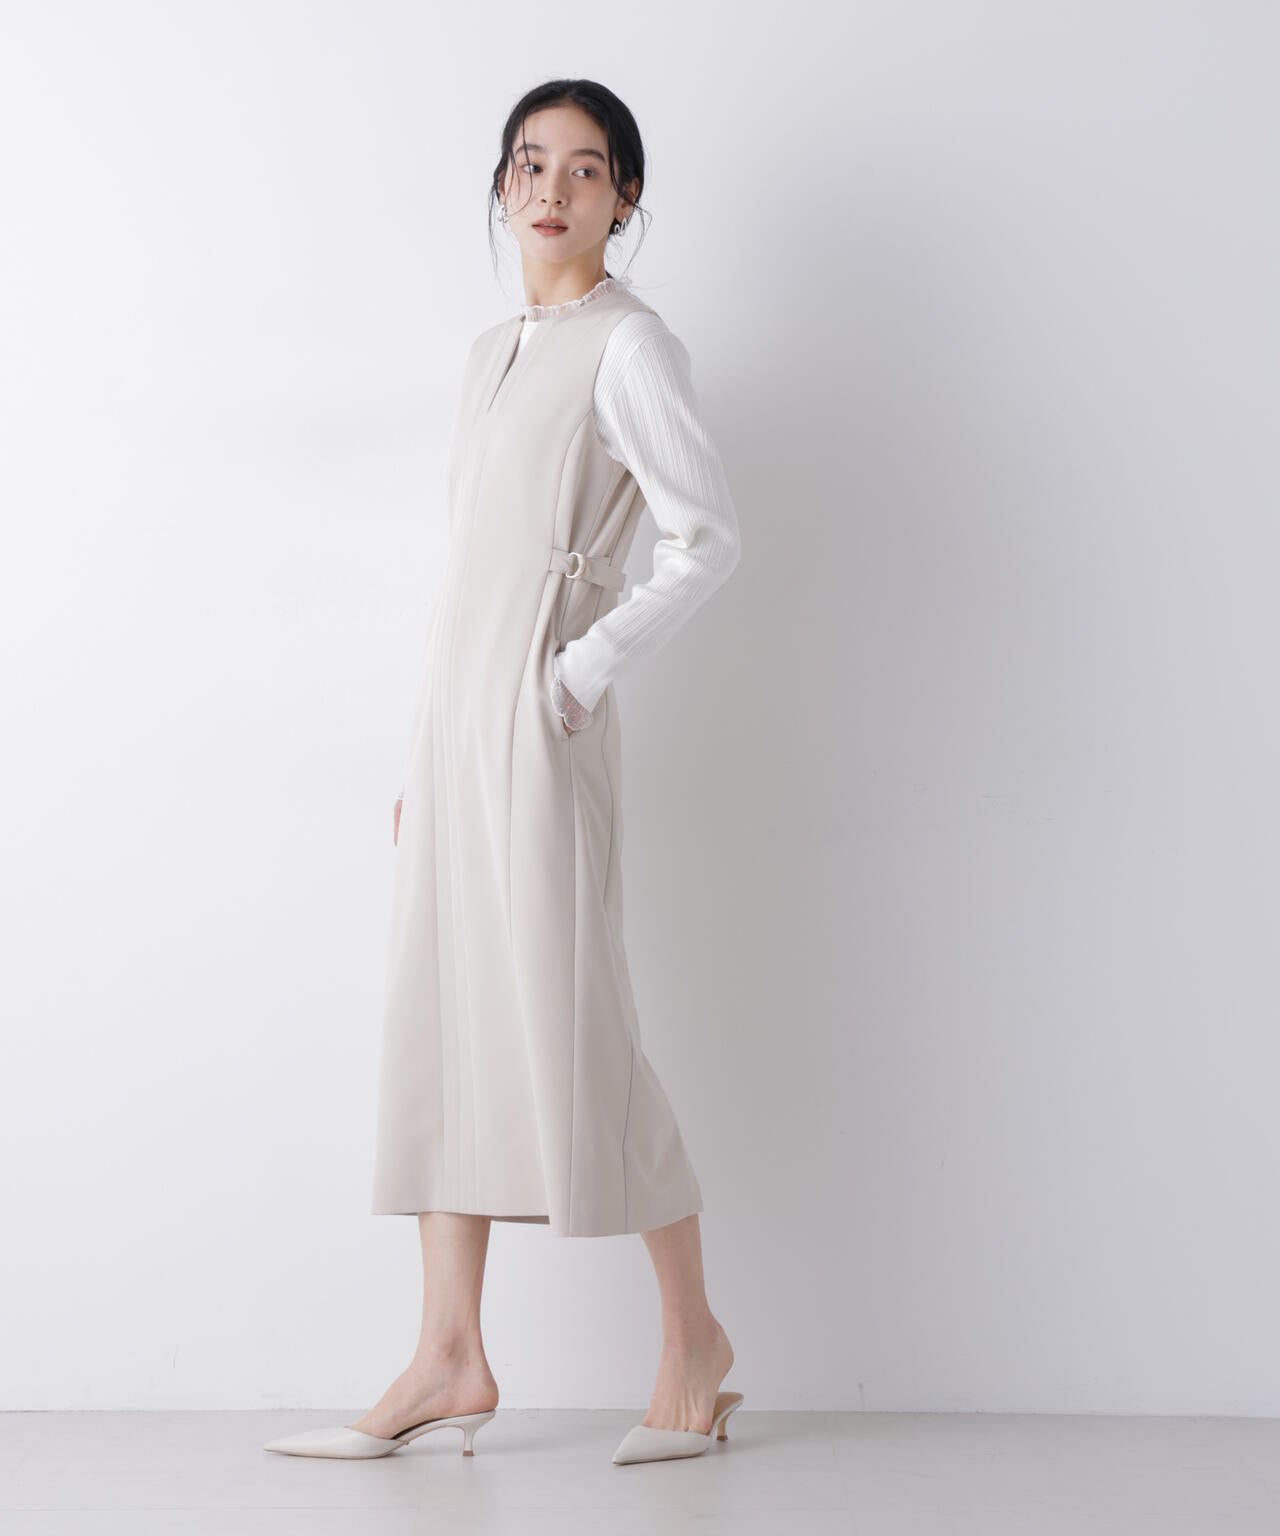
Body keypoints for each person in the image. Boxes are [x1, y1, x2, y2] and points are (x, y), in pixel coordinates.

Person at [265, 78, 744, 1467]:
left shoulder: (630, 349)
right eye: (530, 164)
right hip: (459, 729)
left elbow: (707, 538)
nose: (552, 189)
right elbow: (470, 570)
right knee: (440, 1019)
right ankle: (449, 1352)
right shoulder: (491, 353)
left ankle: (694, 1342)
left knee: (579, 1026)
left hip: (543, 723)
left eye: (586, 169)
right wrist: (432, 745)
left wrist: (578, 676)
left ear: (625, 198)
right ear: (501, 187)